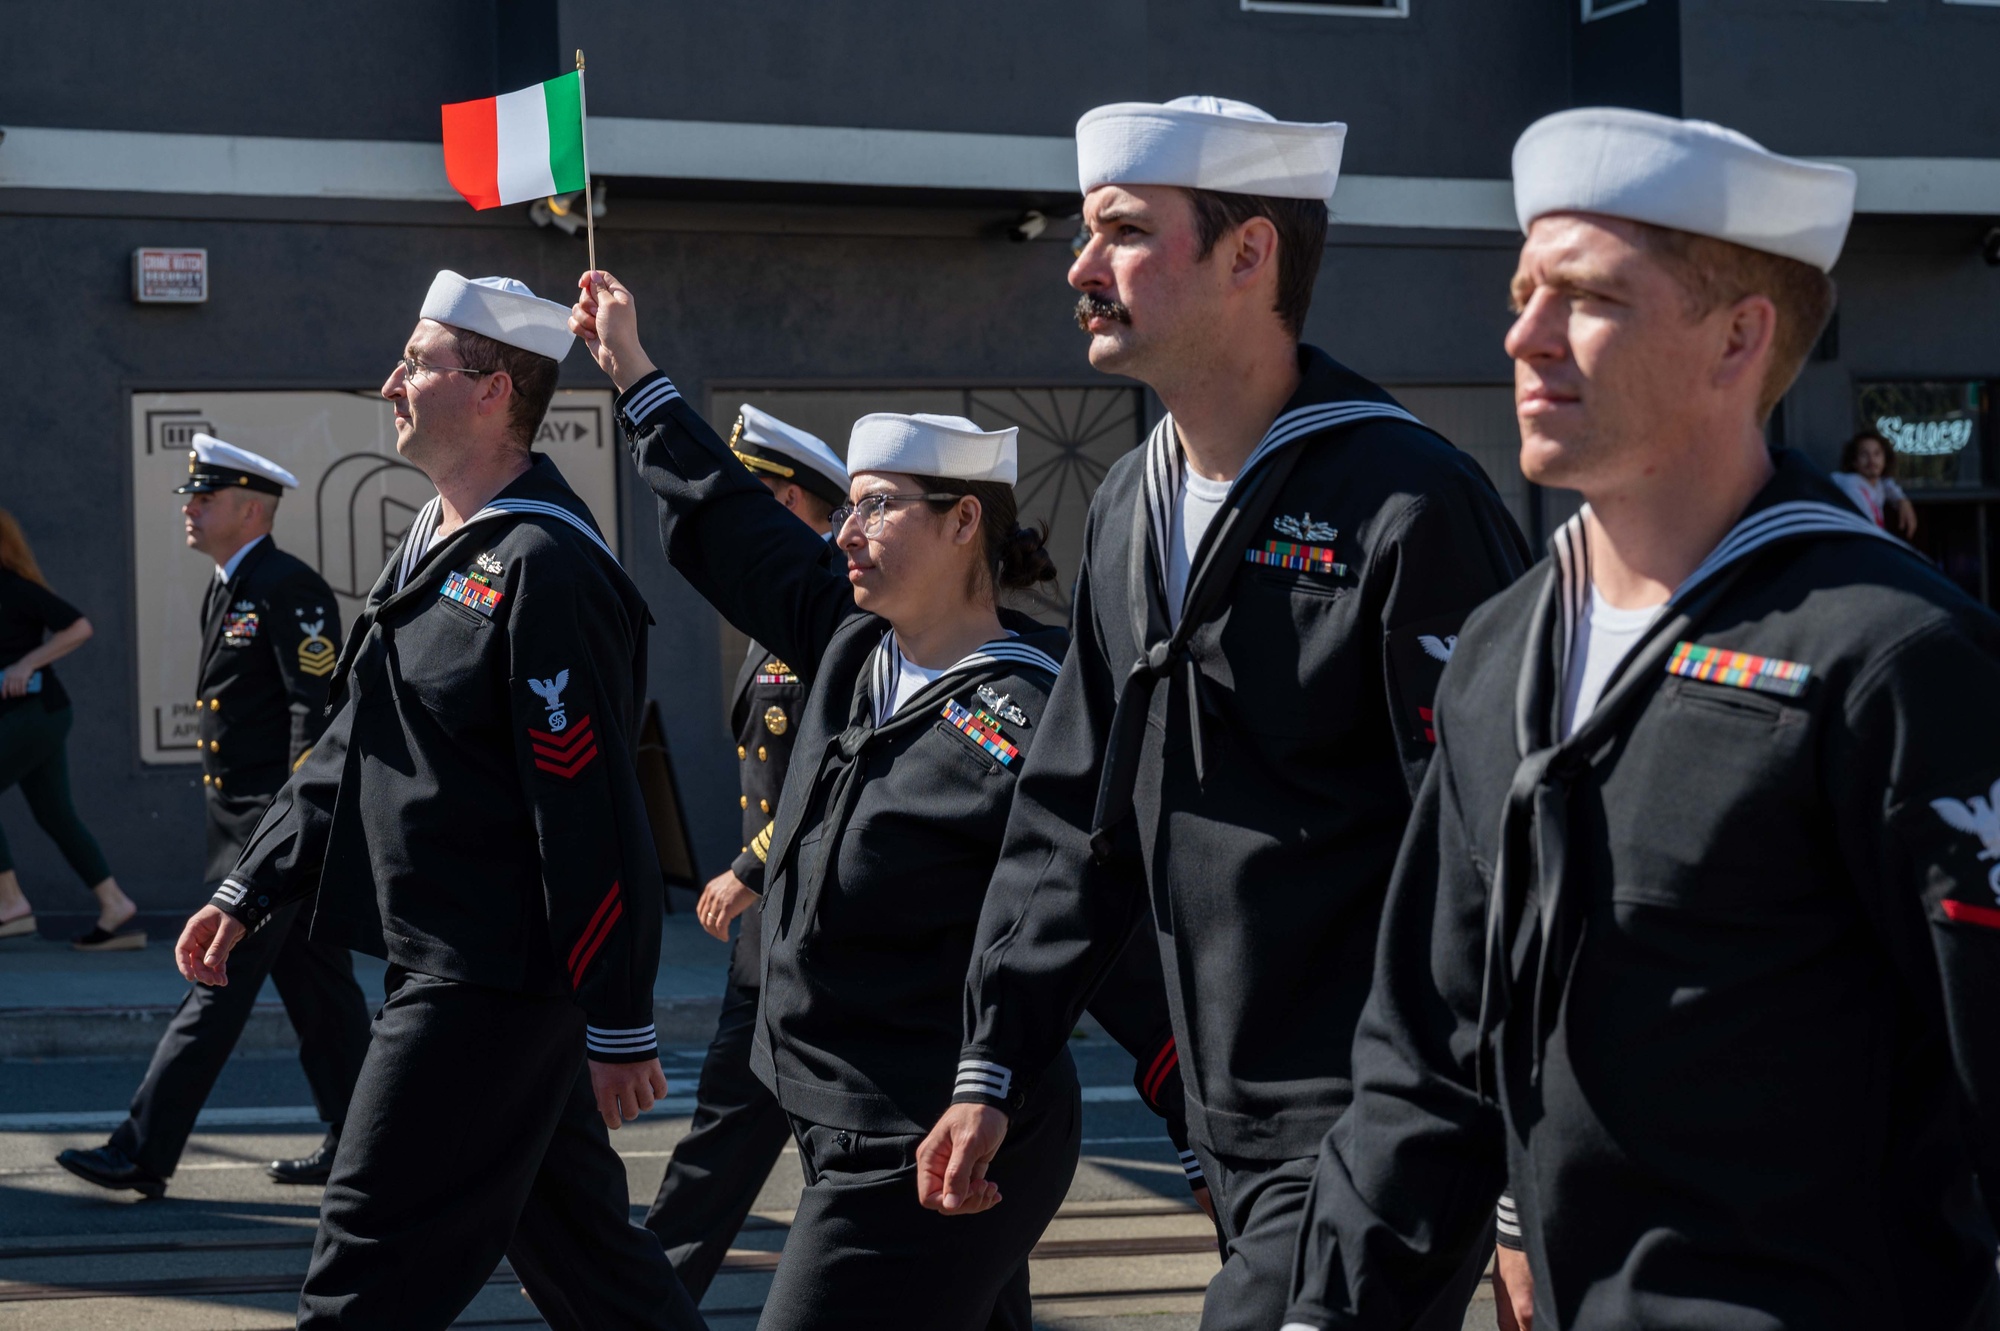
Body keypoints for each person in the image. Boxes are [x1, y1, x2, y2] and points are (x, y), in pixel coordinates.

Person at [1280, 108, 2000, 1331]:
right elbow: (1422, 1062)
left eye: (1588, 298)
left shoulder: (1890, 658)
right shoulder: (1501, 652)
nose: (1523, 336)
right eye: (1521, 292)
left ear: (1737, 338)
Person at [915, 96, 1528, 1331]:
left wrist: (1520, 1177)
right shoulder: (1132, 507)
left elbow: (1497, 858)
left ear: (1250, 256)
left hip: (1383, 1113)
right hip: (1222, 1114)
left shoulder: (1407, 503)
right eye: (1086, 234)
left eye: (1125, 232)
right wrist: (996, 1053)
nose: (1082, 269)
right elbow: (1070, 815)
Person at [573, 268, 1198, 1330]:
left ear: (963, 523)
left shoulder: (1035, 713)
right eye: (847, 505)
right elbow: (730, 522)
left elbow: (1098, 918)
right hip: (831, 1105)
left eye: (875, 507)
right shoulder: (853, 641)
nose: (845, 530)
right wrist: (633, 370)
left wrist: (1196, 1114)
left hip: (931, 1128)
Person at [173, 271, 704, 1331]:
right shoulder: (438, 540)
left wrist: (618, 1011)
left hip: (489, 978)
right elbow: (353, 739)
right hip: (449, 957)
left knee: (362, 1270)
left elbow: (589, 806)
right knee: (599, 1273)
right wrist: (250, 881)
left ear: (495, 387)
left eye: (415, 363)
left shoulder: (546, 564)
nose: (390, 384)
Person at [57, 437, 372, 1199]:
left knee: (213, 982)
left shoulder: (289, 587)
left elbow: (315, 715)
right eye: (191, 498)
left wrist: (283, 833)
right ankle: (366, 1143)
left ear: (251, 509)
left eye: (205, 498)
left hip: (270, 833)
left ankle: (141, 1148)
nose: (190, 509)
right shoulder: (232, 584)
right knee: (321, 995)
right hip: (244, 826)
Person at [643, 403, 849, 1298]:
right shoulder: (772, 626)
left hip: (809, 924)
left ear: (803, 508)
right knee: (746, 1123)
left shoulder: (829, 625)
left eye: (753, 496)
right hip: (775, 935)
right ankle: (647, 1288)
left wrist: (748, 865)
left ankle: (643, 1291)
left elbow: (827, 770)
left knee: (746, 1123)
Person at [0, 506, 140, 950]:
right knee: (55, 814)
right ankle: (113, 902)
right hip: (25, 719)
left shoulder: (15, 588)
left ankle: (9, 902)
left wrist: (27, 662)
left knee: (55, 814)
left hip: (38, 714)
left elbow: (79, 627)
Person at [1832, 428, 1918, 538]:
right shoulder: (1852, 488)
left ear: (1885, 459)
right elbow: (1867, 532)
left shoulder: (1877, 484)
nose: (1871, 460)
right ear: (1854, 461)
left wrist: (1902, 501)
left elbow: (1887, 484)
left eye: (1877, 454)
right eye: (1864, 454)